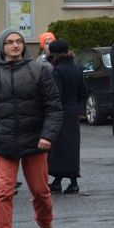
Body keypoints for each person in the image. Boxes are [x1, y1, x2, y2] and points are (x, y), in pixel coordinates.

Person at [0, 28, 63, 228]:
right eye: (10, 42)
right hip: (4, 143)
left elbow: (53, 107)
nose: (15, 45)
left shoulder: (39, 70)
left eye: (19, 42)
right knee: (3, 192)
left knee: (40, 191)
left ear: (23, 46)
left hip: (36, 142)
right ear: (3, 46)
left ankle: (45, 224)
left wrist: (47, 135)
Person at [46, 40, 87, 195]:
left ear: (54, 54)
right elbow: (83, 91)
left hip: (59, 112)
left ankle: (59, 182)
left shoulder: (57, 70)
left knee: (58, 148)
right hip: (72, 110)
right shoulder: (77, 67)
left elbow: (56, 94)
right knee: (71, 147)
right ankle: (69, 182)